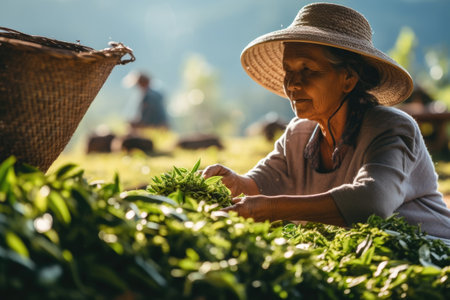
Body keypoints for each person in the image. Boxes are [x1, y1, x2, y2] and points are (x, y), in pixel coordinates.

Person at [202, 2, 450, 241]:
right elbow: (259, 186)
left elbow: (372, 203)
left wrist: (274, 209)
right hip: (359, 264)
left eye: (308, 69)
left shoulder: (390, 128)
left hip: (430, 255)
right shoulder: (298, 135)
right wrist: (233, 183)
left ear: (348, 79)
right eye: (289, 70)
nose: (293, 83)